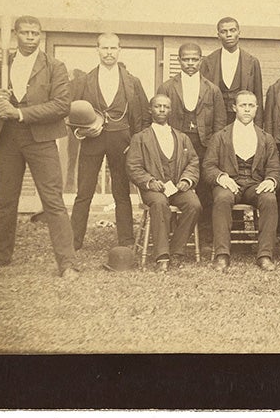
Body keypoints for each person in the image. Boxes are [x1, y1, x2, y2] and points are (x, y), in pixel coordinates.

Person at [0, 15, 80, 279]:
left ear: (41, 36)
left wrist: (19, 113)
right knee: (6, 200)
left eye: (35, 33)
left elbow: (60, 105)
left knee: (53, 201)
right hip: (8, 138)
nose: (31, 38)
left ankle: (67, 264)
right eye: (25, 33)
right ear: (16, 35)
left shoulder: (54, 66)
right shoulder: (2, 66)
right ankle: (1, 256)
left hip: (41, 139)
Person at [69, 32, 151, 250]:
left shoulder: (133, 82)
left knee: (121, 192)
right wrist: (83, 131)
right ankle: (73, 241)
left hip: (122, 140)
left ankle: (125, 241)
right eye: (104, 48)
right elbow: (70, 115)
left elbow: (142, 116)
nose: (108, 52)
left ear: (119, 50)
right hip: (92, 141)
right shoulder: (83, 81)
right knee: (84, 191)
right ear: (97, 50)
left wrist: (136, 144)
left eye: (113, 48)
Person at [156, 42, 226, 255]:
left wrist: (215, 147)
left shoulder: (212, 89)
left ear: (201, 60)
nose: (190, 63)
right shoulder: (167, 87)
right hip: (176, 144)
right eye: (185, 59)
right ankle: (171, 231)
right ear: (179, 61)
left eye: (194, 59)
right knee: (175, 184)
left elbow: (220, 121)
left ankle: (204, 234)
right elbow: (159, 116)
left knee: (204, 189)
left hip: (203, 144)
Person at [203, 91, 280, 272]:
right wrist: (221, 177)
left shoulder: (266, 138)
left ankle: (265, 255)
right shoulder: (220, 136)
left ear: (256, 109)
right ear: (234, 108)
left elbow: (275, 168)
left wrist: (270, 180)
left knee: (269, 198)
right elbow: (208, 167)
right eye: (242, 105)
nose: (247, 109)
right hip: (229, 183)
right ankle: (222, 255)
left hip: (255, 184)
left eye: (251, 106)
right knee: (222, 198)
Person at [125, 95, 202, 272]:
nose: (161, 110)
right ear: (150, 110)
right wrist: (150, 181)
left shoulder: (182, 138)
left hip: (177, 187)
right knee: (159, 203)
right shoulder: (140, 138)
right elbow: (133, 166)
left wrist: (186, 180)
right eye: (157, 106)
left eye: (165, 107)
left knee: (194, 205)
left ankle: (176, 249)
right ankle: (162, 255)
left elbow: (193, 161)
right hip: (153, 189)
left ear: (170, 111)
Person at [200, 16, 264, 125]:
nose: (228, 34)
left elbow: (258, 96)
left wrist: (257, 126)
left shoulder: (252, 62)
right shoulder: (208, 62)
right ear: (218, 36)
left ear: (239, 32)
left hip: (244, 118)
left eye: (232, 30)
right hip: (216, 119)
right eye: (224, 31)